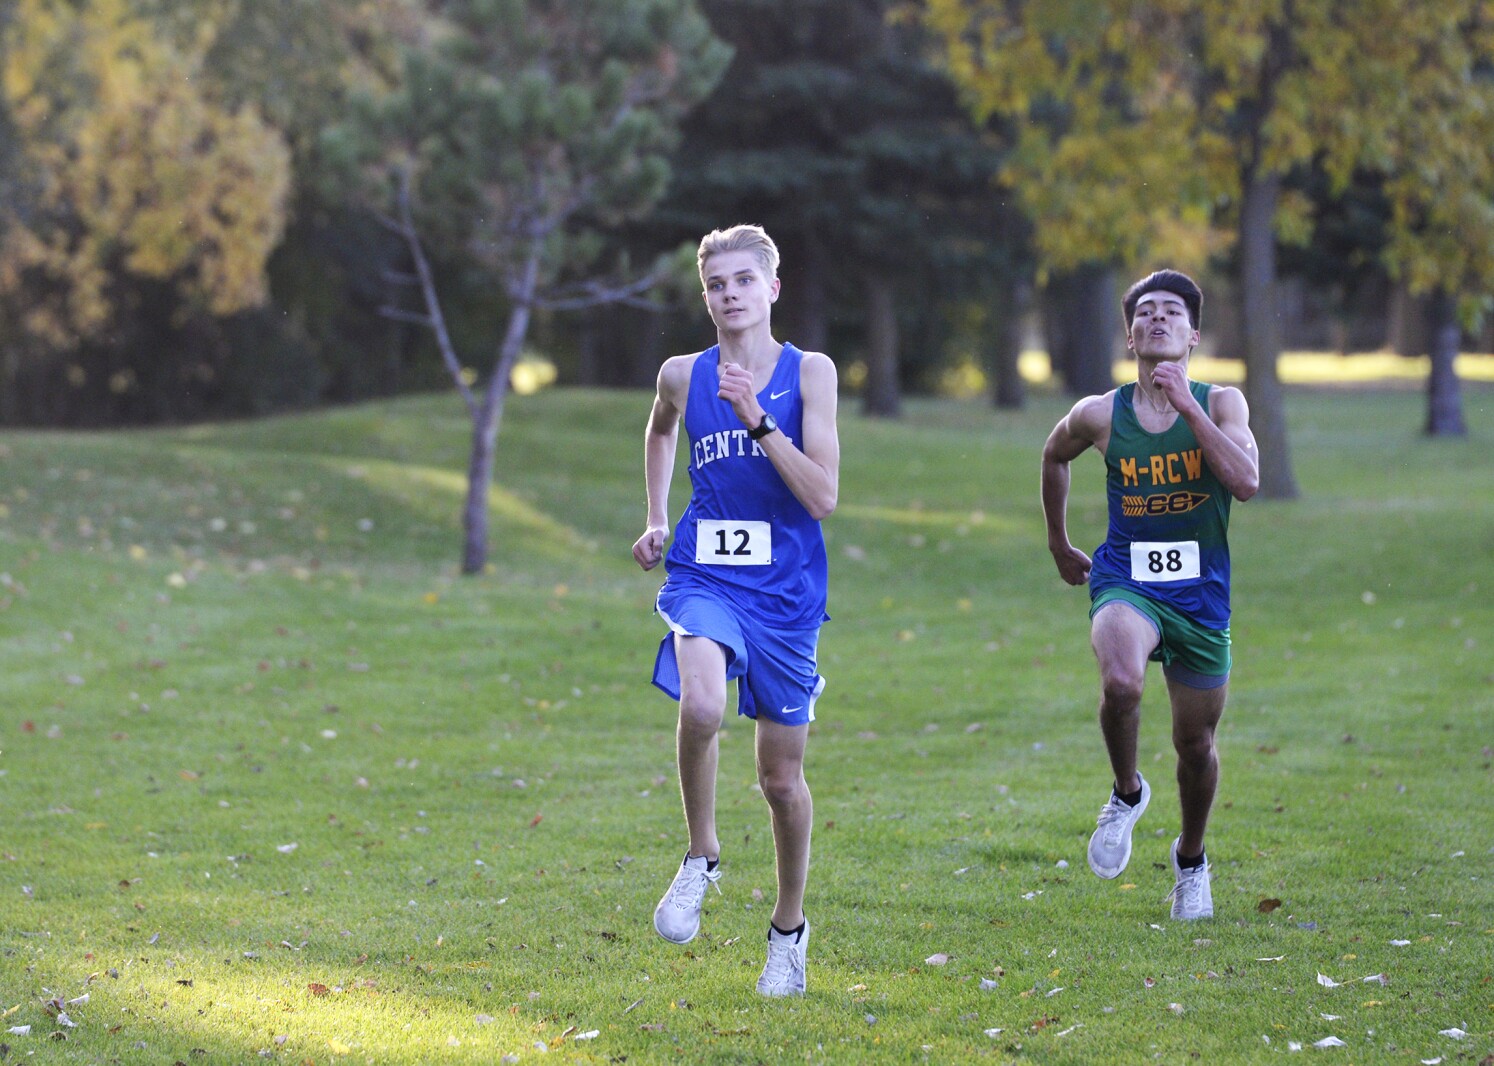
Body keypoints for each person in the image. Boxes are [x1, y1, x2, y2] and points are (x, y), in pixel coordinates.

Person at [632, 224, 839, 995]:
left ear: (771, 289)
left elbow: (822, 497)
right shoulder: (683, 375)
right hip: (703, 577)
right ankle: (701, 855)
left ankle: (788, 929)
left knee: (782, 781)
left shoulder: (810, 373)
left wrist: (757, 417)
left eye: (743, 282)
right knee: (703, 703)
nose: (729, 296)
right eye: (716, 285)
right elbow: (657, 430)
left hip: (786, 596)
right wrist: (657, 515)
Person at [1040, 269, 1259, 920]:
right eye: (1145, 313)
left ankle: (1191, 860)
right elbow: (1054, 455)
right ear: (1130, 335)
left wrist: (1187, 408)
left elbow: (1246, 481)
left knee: (1196, 748)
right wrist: (1058, 542)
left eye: (1171, 312)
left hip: (1200, 596)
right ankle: (1127, 791)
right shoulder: (1101, 414)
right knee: (1122, 683)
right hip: (1126, 578)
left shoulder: (1222, 404)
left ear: (1193, 335)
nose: (1157, 319)